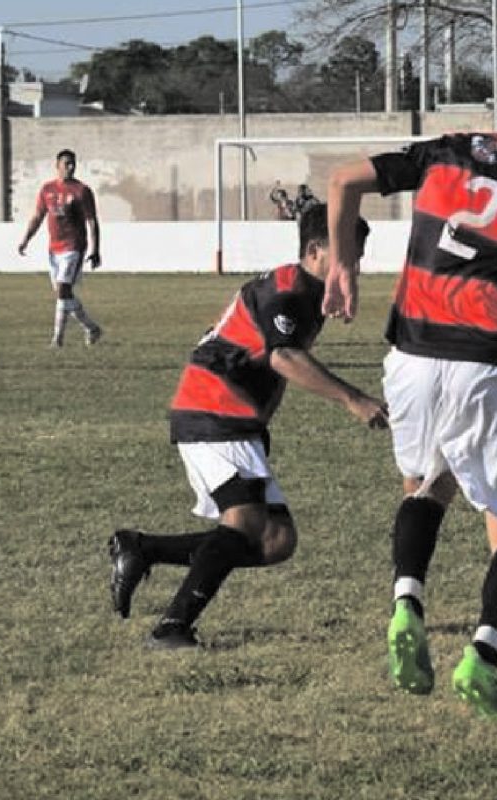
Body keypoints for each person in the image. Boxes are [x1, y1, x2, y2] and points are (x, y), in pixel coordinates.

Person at [323, 66, 497, 721]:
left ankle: (406, 604)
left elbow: (343, 181)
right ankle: (484, 654)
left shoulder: (449, 149)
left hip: (412, 355)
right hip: (491, 361)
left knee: (429, 480)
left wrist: (342, 263)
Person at [107, 205, 388, 650]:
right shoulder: (288, 292)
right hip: (213, 407)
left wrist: (260, 424)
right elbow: (283, 358)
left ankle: (143, 549)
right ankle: (171, 628)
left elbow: (261, 356)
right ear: (316, 251)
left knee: (276, 540)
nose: (356, 265)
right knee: (244, 524)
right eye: (349, 254)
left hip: (232, 416)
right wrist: (354, 399)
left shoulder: (308, 291)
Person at [18, 149, 105, 348]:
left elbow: (92, 221)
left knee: (63, 291)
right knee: (64, 294)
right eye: (66, 163)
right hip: (54, 249)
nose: (70, 167)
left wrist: (95, 249)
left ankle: (57, 339)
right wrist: (25, 239)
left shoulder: (81, 190)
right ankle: (92, 328)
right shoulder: (47, 189)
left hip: (74, 247)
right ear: (57, 165)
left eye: (73, 163)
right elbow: (38, 216)